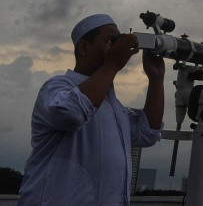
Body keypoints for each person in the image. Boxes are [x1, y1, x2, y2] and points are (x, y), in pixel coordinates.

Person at [17, 14, 165, 206]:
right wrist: (112, 65)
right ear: (84, 47)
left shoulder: (113, 105)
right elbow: (70, 114)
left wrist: (156, 79)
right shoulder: (56, 88)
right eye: (109, 41)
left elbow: (146, 133)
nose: (116, 47)